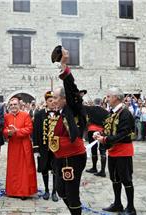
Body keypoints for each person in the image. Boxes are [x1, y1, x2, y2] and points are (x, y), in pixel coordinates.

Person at [50, 45, 87, 215]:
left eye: (56, 98)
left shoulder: (73, 107)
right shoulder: (60, 112)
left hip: (72, 157)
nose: (53, 101)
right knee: (60, 190)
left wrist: (64, 65)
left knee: (72, 194)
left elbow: (70, 86)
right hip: (60, 157)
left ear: (65, 99)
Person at [94, 87, 137, 215]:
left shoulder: (125, 113)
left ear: (116, 98)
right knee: (115, 179)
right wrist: (99, 133)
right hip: (113, 150)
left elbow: (124, 133)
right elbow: (109, 128)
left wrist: (105, 139)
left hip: (123, 151)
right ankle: (117, 203)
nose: (106, 99)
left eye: (108, 96)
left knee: (126, 179)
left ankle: (131, 208)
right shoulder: (112, 112)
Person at [3, 96, 37, 199]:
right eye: (11, 105)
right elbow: (4, 130)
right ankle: (12, 191)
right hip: (13, 145)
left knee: (24, 169)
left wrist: (17, 131)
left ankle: (24, 192)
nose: (13, 106)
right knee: (13, 169)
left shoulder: (25, 115)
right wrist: (8, 132)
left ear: (19, 105)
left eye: (15, 104)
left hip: (24, 145)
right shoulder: (7, 117)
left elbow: (29, 129)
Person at [32, 91, 58, 201]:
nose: (53, 102)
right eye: (50, 101)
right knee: (44, 168)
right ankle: (47, 190)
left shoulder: (60, 114)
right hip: (43, 147)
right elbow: (36, 132)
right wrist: (36, 148)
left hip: (57, 148)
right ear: (46, 102)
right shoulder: (39, 114)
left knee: (56, 169)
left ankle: (54, 192)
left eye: (54, 100)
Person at [84, 98, 109, 177]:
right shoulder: (106, 111)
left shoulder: (90, 108)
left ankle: (94, 167)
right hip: (101, 131)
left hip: (92, 130)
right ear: (101, 103)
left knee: (93, 149)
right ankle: (102, 170)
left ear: (94, 102)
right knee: (102, 150)